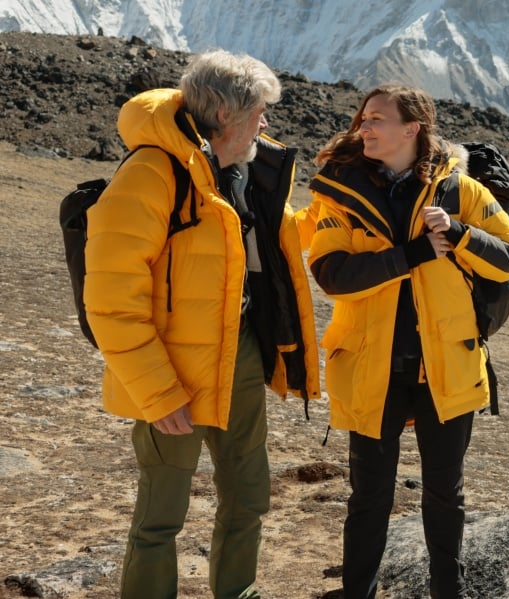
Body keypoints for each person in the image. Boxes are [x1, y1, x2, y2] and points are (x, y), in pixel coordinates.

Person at [84, 49, 321, 599]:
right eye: (260, 112)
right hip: (172, 370)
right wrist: (158, 392)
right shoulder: (150, 173)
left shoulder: (240, 171)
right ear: (226, 115)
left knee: (248, 494)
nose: (267, 123)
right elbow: (111, 300)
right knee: (162, 513)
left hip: (239, 355)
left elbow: (274, 243)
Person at [297, 85, 509, 598]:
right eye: (363, 120)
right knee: (369, 497)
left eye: (377, 119)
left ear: (412, 129)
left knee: (446, 494)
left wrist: (462, 233)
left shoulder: (460, 190)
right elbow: (332, 274)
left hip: (445, 366)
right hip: (370, 368)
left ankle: (449, 591)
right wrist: (414, 254)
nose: (365, 129)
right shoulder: (339, 189)